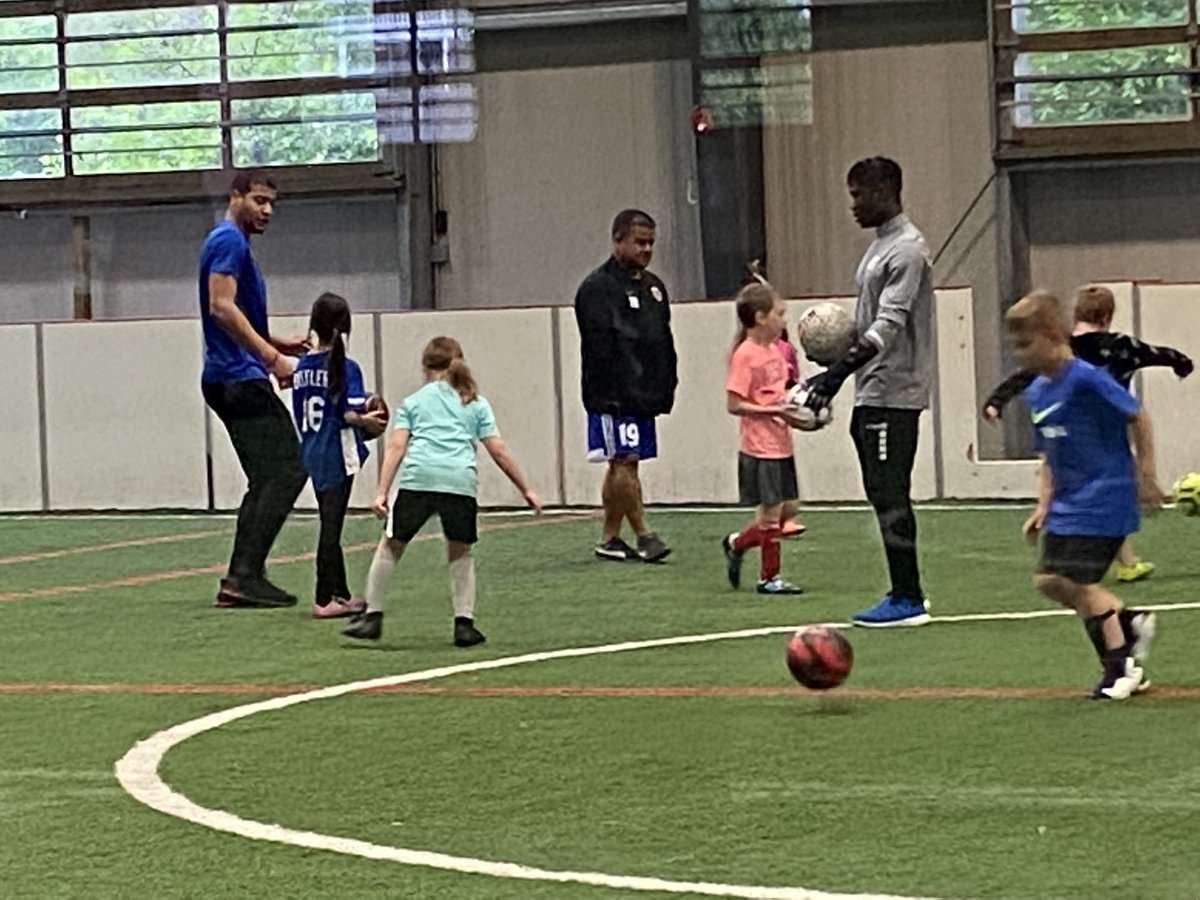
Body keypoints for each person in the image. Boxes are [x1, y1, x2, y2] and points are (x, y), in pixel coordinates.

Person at [1005, 290, 1162, 700]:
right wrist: (1043, 504)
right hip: (1067, 504)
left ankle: (1121, 663)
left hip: (1105, 495)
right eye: (1015, 346)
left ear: (1053, 333)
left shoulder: (1087, 378)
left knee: (1076, 581)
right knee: (1049, 582)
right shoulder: (1038, 392)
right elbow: (1050, 455)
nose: (1018, 354)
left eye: (1025, 343)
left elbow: (1137, 416)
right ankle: (1127, 625)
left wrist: (1145, 473)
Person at [983, 283, 1192, 583]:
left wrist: (996, 401)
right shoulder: (1121, 345)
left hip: (1077, 436)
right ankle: (1123, 567)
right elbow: (1156, 354)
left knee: (1091, 490)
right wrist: (1181, 364)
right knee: (1103, 485)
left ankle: (1122, 568)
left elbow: (1024, 377)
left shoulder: (1062, 348)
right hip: (1107, 429)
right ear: (1107, 316)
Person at [342, 337, 541, 645]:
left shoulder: (413, 402)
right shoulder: (475, 403)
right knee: (460, 550)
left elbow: (396, 446)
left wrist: (381, 492)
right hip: (459, 482)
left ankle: (373, 616)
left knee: (391, 545)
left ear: (425, 367)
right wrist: (525, 488)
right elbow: (498, 450)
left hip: (419, 478)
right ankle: (464, 623)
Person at [803, 156, 933, 627]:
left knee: (889, 490)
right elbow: (867, 325)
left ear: (886, 190)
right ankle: (904, 591)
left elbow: (888, 327)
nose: (853, 204)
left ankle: (908, 597)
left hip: (895, 391)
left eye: (859, 194)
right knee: (881, 491)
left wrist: (837, 373)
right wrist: (832, 358)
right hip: (871, 389)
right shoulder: (880, 248)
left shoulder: (908, 250)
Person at [200, 170, 308, 609]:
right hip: (237, 378)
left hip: (231, 375)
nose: (267, 211)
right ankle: (244, 574)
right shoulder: (228, 241)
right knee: (289, 468)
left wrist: (277, 341)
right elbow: (220, 307)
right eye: (259, 200)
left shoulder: (233, 244)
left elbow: (234, 314)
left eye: (271, 204)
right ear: (236, 197)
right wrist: (272, 358)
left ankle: (242, 575)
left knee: (267, 475)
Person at [574, 209, 677, 563]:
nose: (647, 249)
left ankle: (609, 538)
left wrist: (666, 384)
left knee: (624, 464)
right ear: (617, 240)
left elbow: (663, 339)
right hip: (613, 396)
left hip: (644, 395)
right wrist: (612, 395)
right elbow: (600, 348)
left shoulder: (654, 288)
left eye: (651, 243)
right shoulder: (596, 289)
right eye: (639, 242)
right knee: (625, 460)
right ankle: (645, 534)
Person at [291, 292, 388, 619]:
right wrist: (369, 422)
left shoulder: (302, 366)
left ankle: (342, 592)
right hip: (337, 450)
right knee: (331, 527)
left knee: (329, 520)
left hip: (312, 449)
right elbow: (349, 414)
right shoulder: (346, 367)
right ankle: (323, 598)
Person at [721, 282, 806, 595]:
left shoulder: (775, 352)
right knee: (771, 514)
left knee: (786, 509)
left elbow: (781, 396)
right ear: (759, 317)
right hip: (760, 446)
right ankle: (769, 577)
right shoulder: (746, 356)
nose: (784, 320)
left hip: (781, 442)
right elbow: (734, 404)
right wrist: (770, 410)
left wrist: (798, 412)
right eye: (779, 314)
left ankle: (737, 543)